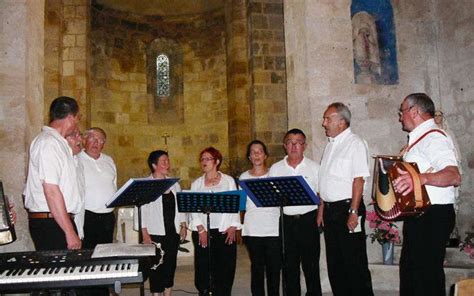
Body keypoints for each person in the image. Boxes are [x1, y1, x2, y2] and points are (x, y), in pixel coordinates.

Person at [393, 93, 461, 296]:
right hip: (420, 215)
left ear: (414, 111)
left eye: (402, 111)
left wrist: (419, 179)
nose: (400, 116)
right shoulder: (420, 138)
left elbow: (453, 175)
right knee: (412, 275)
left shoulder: (433, 137)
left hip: (433, 215)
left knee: (426, 278)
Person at [318, 102, 374, 296]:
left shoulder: (355, 143)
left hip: (348, 209)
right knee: (335, 264)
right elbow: (325, 181)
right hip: (331, 211)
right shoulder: (330, 146)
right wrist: (321, 210)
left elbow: (359, 179)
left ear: (342, 122)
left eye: (327, 119)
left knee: (354, 263)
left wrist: (353, 212)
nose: (323, 123)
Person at [268, 128, 322, 296]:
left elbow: (322, 195)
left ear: (304, 146)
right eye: (290, 142)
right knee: (289, 266)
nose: (294, 146)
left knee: (311, 265)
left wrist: (320, 216)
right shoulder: (276, 169)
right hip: (287, 222)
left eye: (298, 142)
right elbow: (271, 197)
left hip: (309, 220)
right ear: (285, 146)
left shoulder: (314, 167)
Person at [24, 96, 82, 250]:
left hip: (58, 222)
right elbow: (51, 190)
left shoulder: (58, 143)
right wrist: (69, 232)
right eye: (77, 118)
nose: (77, 122)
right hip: (52, 224)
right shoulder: (48, 143)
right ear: (70, 116)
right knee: (61, 272)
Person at [189, 147, 241, 296]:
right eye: (202, 159)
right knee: (203, 266)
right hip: (203, 231)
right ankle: (204, 291)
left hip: (224, 230)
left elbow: (235, 205)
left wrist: (233, 226)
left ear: (217, 161)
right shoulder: (196, 184)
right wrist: (201, 229)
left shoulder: (228, 180)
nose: (204, 162)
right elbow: (193, 210)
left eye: (208, 159)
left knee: (225, 266)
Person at [140, 150, 187, 296]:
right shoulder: (145, 185)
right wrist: (145, 234)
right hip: (154, 233)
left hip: (171, 232)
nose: (167, 164)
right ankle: (156, 294)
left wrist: (183, 225)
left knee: (170, 265)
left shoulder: (174, 183)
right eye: (163, 161)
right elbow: (141, 212)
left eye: (168, 160)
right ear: (154, 165)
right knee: (156, 267)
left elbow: (181, 207)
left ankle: (168, 293)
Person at [240, 140, 281, 296]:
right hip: (252, 229)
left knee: (273, 268)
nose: (256, 154)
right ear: (249, 157)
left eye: (259, 151)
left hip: (273, 228)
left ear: (265, 155)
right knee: (257, 267)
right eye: (253, 152)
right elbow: (242, 205)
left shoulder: (274, 174)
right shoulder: (243, 177)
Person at [78, 127, 117, 249]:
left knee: (105, 253)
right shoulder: (77, 159)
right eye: (93, 138)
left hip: (108, 217)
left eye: (101, 140)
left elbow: (114, 184)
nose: (96, 143)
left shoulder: (109, 160)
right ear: (84, 140)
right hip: (87, 216)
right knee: (87, 254)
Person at [65, 127, 85, 240]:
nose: (79, 140)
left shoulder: (78, 162)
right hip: (60, 223)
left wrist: (79, 230)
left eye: (80, 135)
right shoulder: (60, 161)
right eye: (74, 135)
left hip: (75, 222)